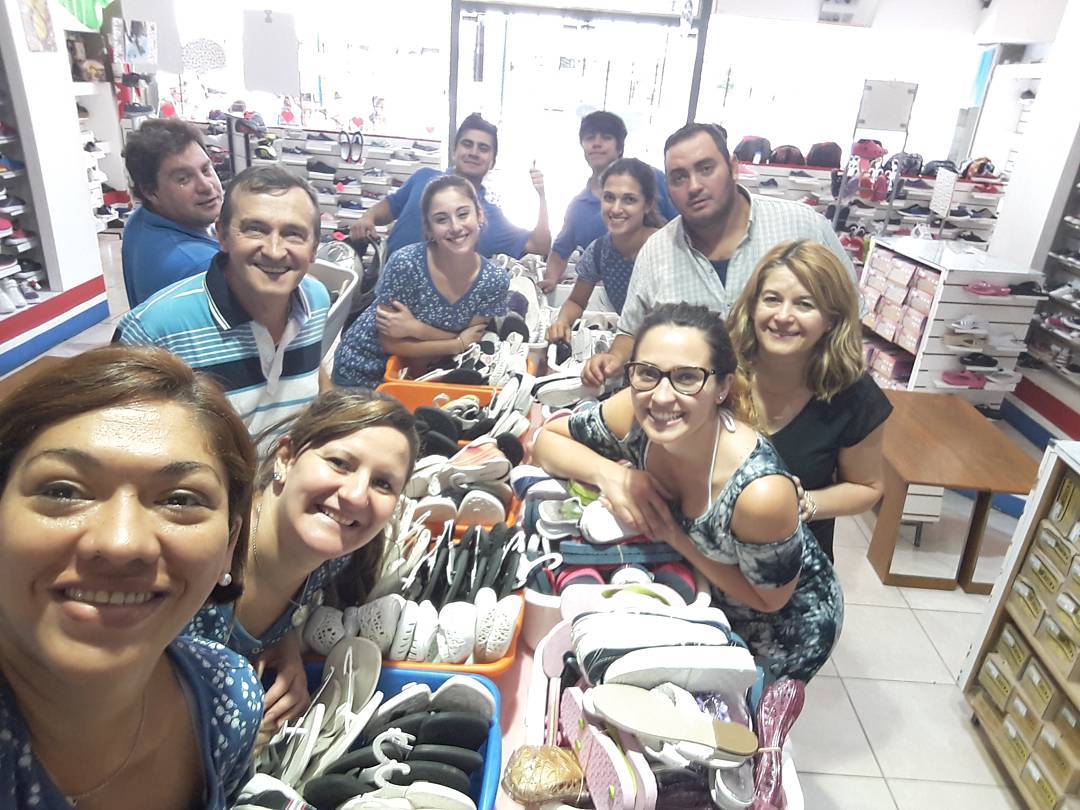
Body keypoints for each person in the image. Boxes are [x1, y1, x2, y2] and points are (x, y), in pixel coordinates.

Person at [0, 345, 262, 808]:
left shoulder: (227, 697)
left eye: (180, 500)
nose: (122, 544)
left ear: (229, 544)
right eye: (63, 491)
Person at [533, 303, 842, 682]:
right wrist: (614, 476)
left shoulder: (759, 493)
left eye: (687, 377)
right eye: (648, 373)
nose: (662, 396)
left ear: (722, 388)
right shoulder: (635, 412)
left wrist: (675, 536)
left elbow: (770, 598)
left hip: (778, 628)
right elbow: (546, 441)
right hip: (697, 594)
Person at [185, 389, 418, 741]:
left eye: (382, 484)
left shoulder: (332, 562)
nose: (356, 495)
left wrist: (284, 637)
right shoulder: (204, 552)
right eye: (339, 463)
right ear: (285, 458)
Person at [582, 122, 856, 388]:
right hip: (695, 409)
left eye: (706, 169)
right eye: (679, 177)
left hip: (797, 405)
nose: (694, 186)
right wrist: (614, 359)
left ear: (733, 168)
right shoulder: (657, 252)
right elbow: (630, 331)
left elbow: (850, 313)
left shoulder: (803, 227)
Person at [116, 165, 331, 444]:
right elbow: (118, 441)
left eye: (293, 234)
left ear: (314, 248)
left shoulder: (316, 301)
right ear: (222, 235)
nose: (275, 251)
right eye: (255, 230)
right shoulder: (153, 330)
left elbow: (314, 376)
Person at [727, 240, 891, 562]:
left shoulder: (854, 396)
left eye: (804, 304)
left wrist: (806, 505)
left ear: (831, 319)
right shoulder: (720, 368)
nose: (783, 316)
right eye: (772, 299)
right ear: (753, 305)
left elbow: (867, 487)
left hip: (794, 564)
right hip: (709, 555)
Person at [333, 174, 509, 390]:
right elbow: (390, 342)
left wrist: (417, 329)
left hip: (424, 376)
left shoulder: (493, 281)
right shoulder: (406, 263)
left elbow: (472, 345)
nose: (455, 227)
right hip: (361, 368)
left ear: (479, 215)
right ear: (429, 228)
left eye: (463, 214)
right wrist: (457, 343)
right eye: (441, 219)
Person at [349, 113, 550, 260]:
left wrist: (541, 196)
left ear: (492, 162)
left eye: (483, 148)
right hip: (388, 294)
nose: (473, 152)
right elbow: (390, 206)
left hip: (441, 305)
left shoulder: (490, 217)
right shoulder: (423, 178)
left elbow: (539, 245)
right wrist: (368, 217)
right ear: (454, 152)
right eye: (467, 144)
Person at [538, 111, 677, 293]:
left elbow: (684, 229)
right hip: (608, 300)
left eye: (606, 137)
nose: (596, 143)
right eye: (590, 138)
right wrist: (550, 280)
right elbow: (559, 252)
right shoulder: (578, 207)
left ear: (619, 147)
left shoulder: (652, 179)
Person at [545, 158, 661, 343]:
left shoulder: (664, 248)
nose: (616, 209)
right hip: (630, 343)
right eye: (609, 198)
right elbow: (576, 301)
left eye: (629, 200)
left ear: (647, 205)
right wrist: (562, 322)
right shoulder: (599, 251)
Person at [121, 118, 223, 307]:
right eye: (183, 179)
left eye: (206, 170)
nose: (206, 186)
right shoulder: (202, 265)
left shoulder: (141, 219)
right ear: (151, 191)